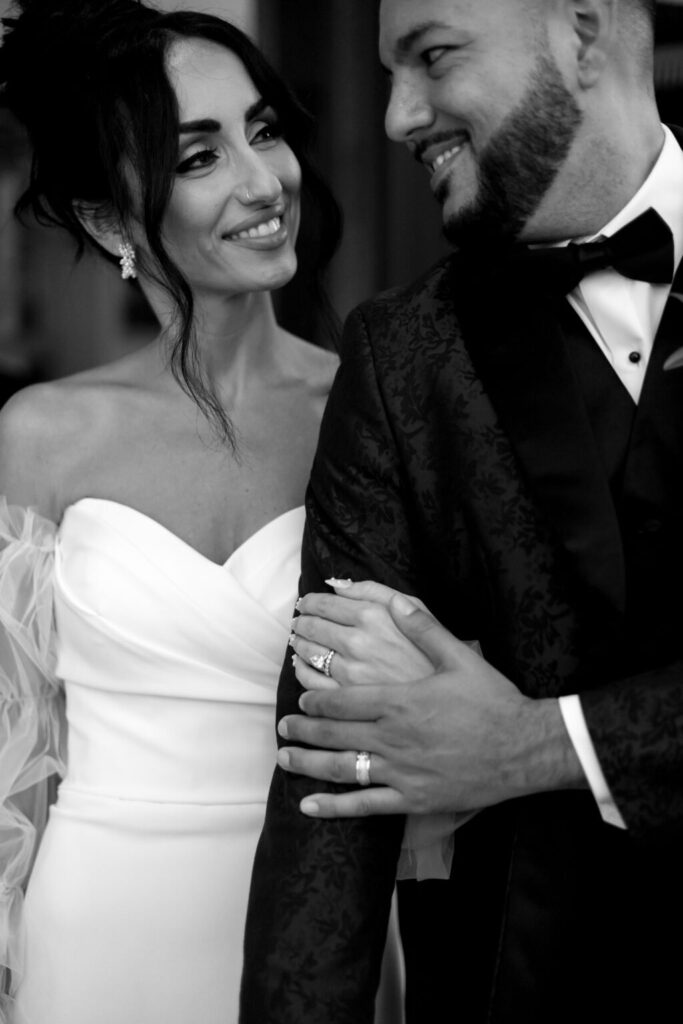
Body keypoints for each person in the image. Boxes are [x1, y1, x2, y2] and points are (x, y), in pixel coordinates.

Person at [241, 0, 683, 1021]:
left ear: (578, 32)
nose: (397, 116)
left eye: (432, 57)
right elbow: (331, 774)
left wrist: (535, 742)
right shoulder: (399, 355)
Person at [0, 2, 416, 1022]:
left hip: (328, 922)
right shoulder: (43, 434)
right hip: (92, 931)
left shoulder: (377, 412)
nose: (262, 180)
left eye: (263, 130)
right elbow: (17, 745)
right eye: (199, 156)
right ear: (108, 219)